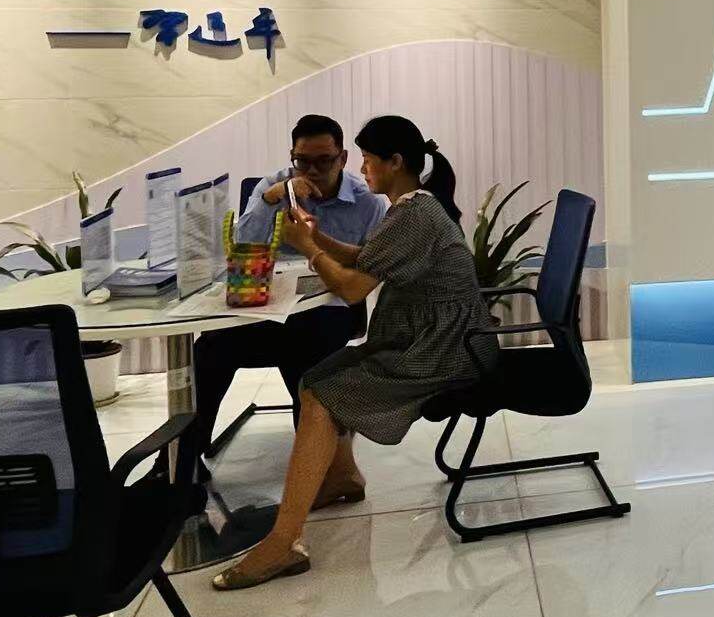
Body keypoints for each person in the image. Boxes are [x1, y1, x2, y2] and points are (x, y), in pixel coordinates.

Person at [212, 115, 496, 590]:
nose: (361, 170)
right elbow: (365, 257)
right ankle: (342, 478)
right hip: (429, 339)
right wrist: (315, 236)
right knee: (314, 379)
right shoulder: (411, 208)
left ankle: (283, 542)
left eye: (366, 160)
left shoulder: (414, 215)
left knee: (322, 397)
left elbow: (351, 288)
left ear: (395, 162)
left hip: (444, 351)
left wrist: (308, 247)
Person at [186, 114, 389, 466]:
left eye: (324, 161)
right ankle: (182, 463)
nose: (312, 171)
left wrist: (315, 247)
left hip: (328, 307)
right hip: (268, 305)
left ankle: (314, 464)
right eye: (302, 161)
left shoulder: (367, 202)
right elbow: (242, 248)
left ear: (342, 159)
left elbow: (366, 270)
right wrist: (270, 199)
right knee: (209, 350)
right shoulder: (274, 187)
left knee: (308, 353)